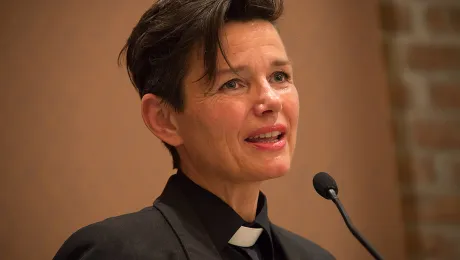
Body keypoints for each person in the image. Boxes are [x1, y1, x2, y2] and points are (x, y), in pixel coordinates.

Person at [53, 0, 335, 259]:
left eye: (279, 77)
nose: (271, 101)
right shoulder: (112, 253)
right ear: (164, 119)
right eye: (233, 83)